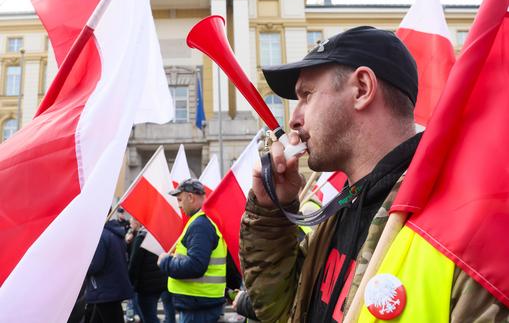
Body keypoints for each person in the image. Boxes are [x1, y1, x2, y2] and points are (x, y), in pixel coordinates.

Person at [239, 26, 509, 322]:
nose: (293, 118)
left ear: (362, 88)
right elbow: (278, 309)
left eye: (307, 95)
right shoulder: (339, 210)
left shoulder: (458, 223)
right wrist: (269, 212)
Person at [158, 178, 227, 323]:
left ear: (190, 197)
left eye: (180, 200)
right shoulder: (203, 222)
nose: (179, 206)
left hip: (199, 307)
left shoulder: (200, 225)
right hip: (201, 304)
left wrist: (166, 262)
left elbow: (195, 266)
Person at [85, 219, 133, 323]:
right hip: (110, 288)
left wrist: (82, 267)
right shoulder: (114, 233)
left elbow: (95, 266)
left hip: (105, 290)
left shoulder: (101, 236)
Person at [129, 224, 176, 323]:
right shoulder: (160, 235)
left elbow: (134, 264)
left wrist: (131, 284)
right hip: (161, 282)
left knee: (149, 317)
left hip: (146, 287)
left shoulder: (141, 237)